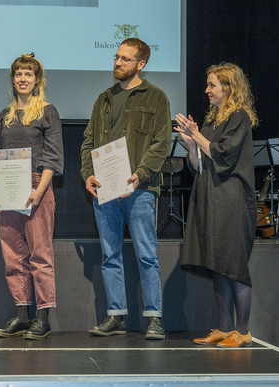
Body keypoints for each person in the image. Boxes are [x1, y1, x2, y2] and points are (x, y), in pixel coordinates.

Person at [80, 38, 172, 340]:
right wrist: (87, 174)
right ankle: (116, 314)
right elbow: (89, 142)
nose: (117, 63)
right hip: (106, 189)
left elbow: (162, 143)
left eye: (125, 59)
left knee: (147, 255)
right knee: (110, 255)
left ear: (140, 64)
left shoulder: (156, 97)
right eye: (116, 57)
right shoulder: (103, 98)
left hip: (141, 189)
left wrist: (140, 174)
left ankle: (154, 317)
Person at [173, 62, 258, 348]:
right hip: (209, 195)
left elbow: (223, 154)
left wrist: (196, 135)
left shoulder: (240, 118)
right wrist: (191, 145)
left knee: (233, 264)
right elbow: (200, 166)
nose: (207, 90)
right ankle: (224, 328)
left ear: (228, 87)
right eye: (208, 85)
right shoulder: (213, 120)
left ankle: (243, 331)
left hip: (231, 199)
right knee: (217, 265)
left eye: (212, 85)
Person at [0, 53, 64, 340]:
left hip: (36, 186)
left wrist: (39, 191)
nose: (22, 78)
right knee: (13, 255)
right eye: (18, 74)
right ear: (13, 80)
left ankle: (42, 318)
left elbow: (53, 157)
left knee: (40, 253)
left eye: (28, 74)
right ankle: (22, 315)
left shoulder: (47, 111)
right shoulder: (5, 115)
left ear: (37, 80)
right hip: (8, 188)